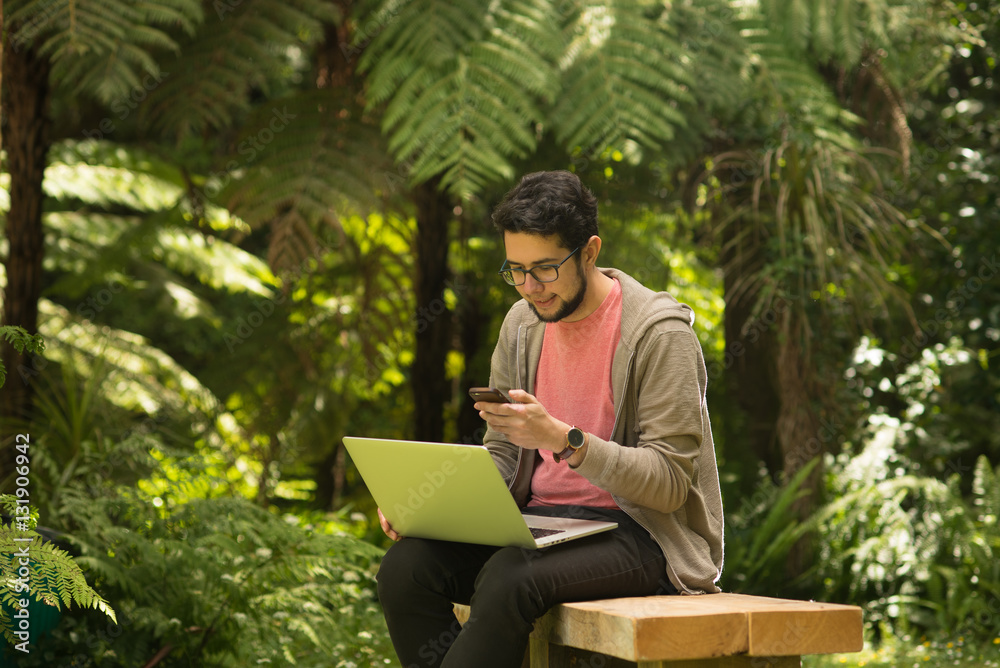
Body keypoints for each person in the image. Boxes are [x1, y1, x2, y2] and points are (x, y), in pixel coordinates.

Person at [376, 170, 724, 668]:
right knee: (406, 568)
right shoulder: (521, 326)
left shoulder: (658, 334)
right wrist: (430, 507)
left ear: (589, 252)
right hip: (539, 525)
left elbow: (670, 484)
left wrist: (567, 441)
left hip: (640, 534)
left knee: (510, 575)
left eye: (544, 269)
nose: (528, 288)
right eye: (515, 270)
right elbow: (502, 454)